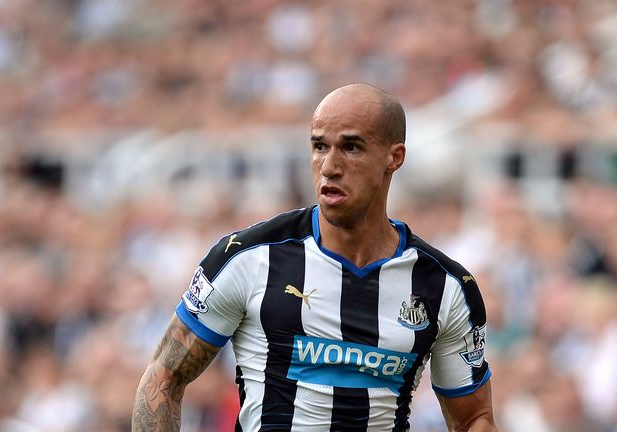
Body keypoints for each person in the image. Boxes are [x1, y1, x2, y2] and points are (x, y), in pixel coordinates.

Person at [132, 83, 498, 431]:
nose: (329, 166)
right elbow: (164, 376)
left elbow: (473, 419)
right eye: (320, 146)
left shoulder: (444, 287)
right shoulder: (249, 258)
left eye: (351, 148)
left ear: (394, 157)